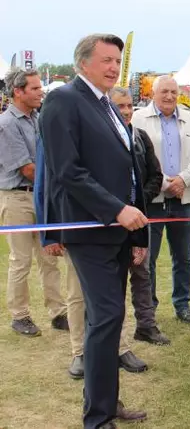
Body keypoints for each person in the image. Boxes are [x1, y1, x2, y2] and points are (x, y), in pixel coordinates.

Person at [39, 33, 148, 428]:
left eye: (117, 60)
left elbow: (127, 169)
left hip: (117, 233)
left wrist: (135, 233)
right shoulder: (64, 100)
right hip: (91, 231)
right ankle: (98, 417)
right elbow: (67, 171)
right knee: (106, 318)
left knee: (111, 320)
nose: (113, 67)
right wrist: (116, 209)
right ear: (82, 62)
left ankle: (107, 402)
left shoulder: (106, 104)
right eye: (105, 59)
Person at [131, 76, 190, 325]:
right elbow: (136, 157)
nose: (169, 96)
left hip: (183, 200)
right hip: (151, 201)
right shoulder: (138, 119)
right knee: (148, 258)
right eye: (164, 91)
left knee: (183, 257)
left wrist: (184, 179)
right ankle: (149, 307)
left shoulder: (189, 119)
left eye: (173, 92)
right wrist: (166, 182)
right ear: (152, 94)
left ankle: (182, 305)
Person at [0, 68, 67, 337]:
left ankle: (58, 312)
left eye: (41, 87)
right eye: (35, 88)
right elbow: (28, 169)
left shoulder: (38, 118)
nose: (41, 92)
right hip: (17, 197)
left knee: (49, 256)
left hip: (41, 194)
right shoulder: (6, 125)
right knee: (21, 260)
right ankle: (20, 315)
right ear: (18, 92)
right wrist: (64, 178)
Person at [109, 87, 171, 346]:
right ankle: (115, 337)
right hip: (111, 219)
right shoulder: (102, 138)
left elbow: (156, 175)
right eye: (119, 106)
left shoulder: (140, 136)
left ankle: (146, 325)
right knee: (114, 280)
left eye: (129, 106)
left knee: (142, 273)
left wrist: (138, 202)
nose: (125, 111)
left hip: (140, 218)